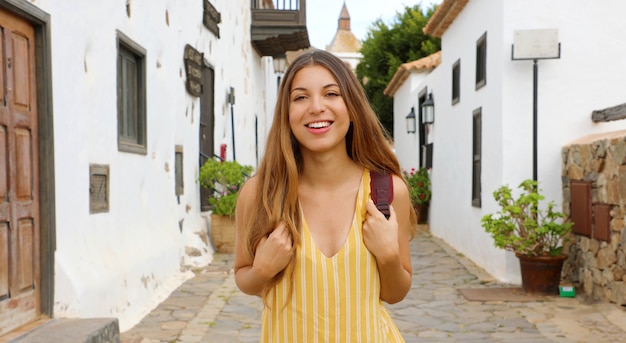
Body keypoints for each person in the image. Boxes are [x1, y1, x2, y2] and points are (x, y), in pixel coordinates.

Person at [234, 49, 417, 342]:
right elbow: (244, 277)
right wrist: (261, 270)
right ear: (287, 114)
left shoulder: (387, 191)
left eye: (331, 94)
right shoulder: (260, 194)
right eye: (300, 97)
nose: (316, 107)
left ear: (352, 107)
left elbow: (395, 294)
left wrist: (389, 256)